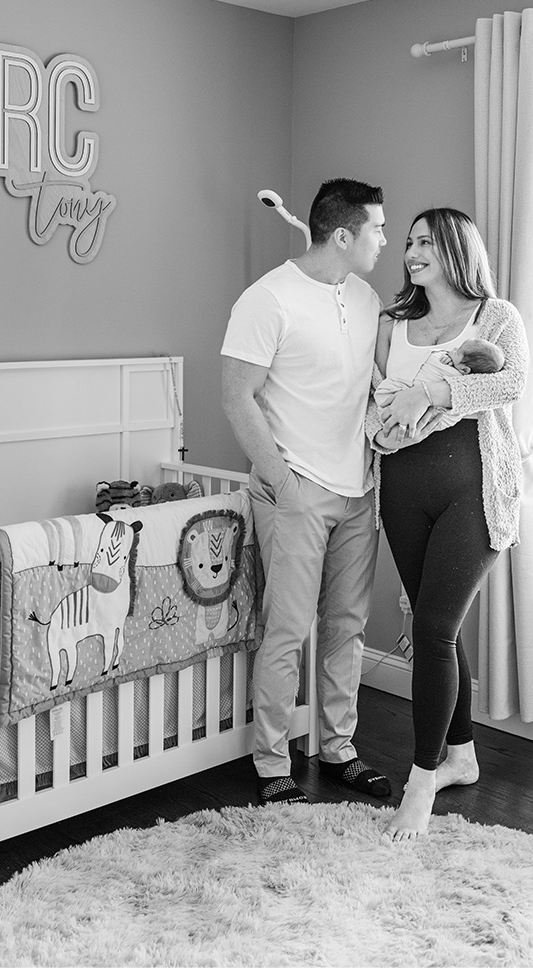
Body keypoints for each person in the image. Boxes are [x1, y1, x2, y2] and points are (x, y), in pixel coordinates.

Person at [221, 177, 391, 806]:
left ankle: (339, 745)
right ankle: (271, 759)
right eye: (376, 227)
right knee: (287, 628)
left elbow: (372, 383)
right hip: (295, 488)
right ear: (342, 235)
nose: (384, 239)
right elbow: (237, 399)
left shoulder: (367, 296)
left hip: (357, 489)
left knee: (347, 625)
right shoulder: (267, 299)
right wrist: (283, 486)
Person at [367, 207, 528, 840]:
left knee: (432, 630)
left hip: (474, 493)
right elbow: (373, 394)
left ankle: (422, 779)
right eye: (407, 242)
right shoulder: (395, 323)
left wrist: (433, 393)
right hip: (403, 491)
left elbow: (510, 381)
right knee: (442, 626)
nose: (411, 251)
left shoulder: (496, 317)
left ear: (459, 249)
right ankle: (460, 751)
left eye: (426, 242)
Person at [374, 337, 505, 437]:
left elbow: (506, 388)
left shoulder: (462, 381)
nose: (453, 349)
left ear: (464, 370)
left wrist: (426, 394)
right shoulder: (450, 361)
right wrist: (448, 357)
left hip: (441, 433)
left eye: (457, 351)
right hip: (393, 415)